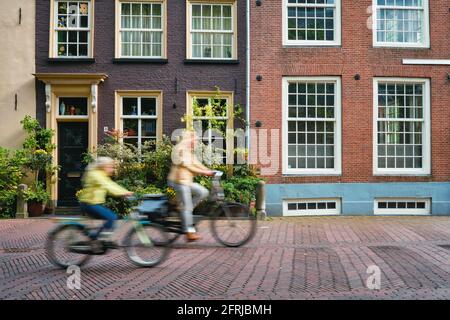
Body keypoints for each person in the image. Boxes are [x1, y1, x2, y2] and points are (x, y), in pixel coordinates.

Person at [168, 130, 215, 242]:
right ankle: (189, 232)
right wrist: (204, 173)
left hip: (186, 182)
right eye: (195, 140)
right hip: (178, 181)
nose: (196, 142)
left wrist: (210, 170)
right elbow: (188, 166)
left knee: (203, 192)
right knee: (187, 207)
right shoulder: (179, 149)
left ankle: (183, 209)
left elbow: (197, 163)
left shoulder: (189, 151)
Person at [78, 157, 133, 247]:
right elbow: (107, 185)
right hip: (89, 203)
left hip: (93, 203)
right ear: (103, 166)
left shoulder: (102, 174)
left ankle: (101, 238)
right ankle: (94, 237)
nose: (112, 169)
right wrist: (124, 192)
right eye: (110, 167)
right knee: (112, 217)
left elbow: (111, 185)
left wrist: (124, 192)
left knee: (109, 219)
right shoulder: (96, 174)